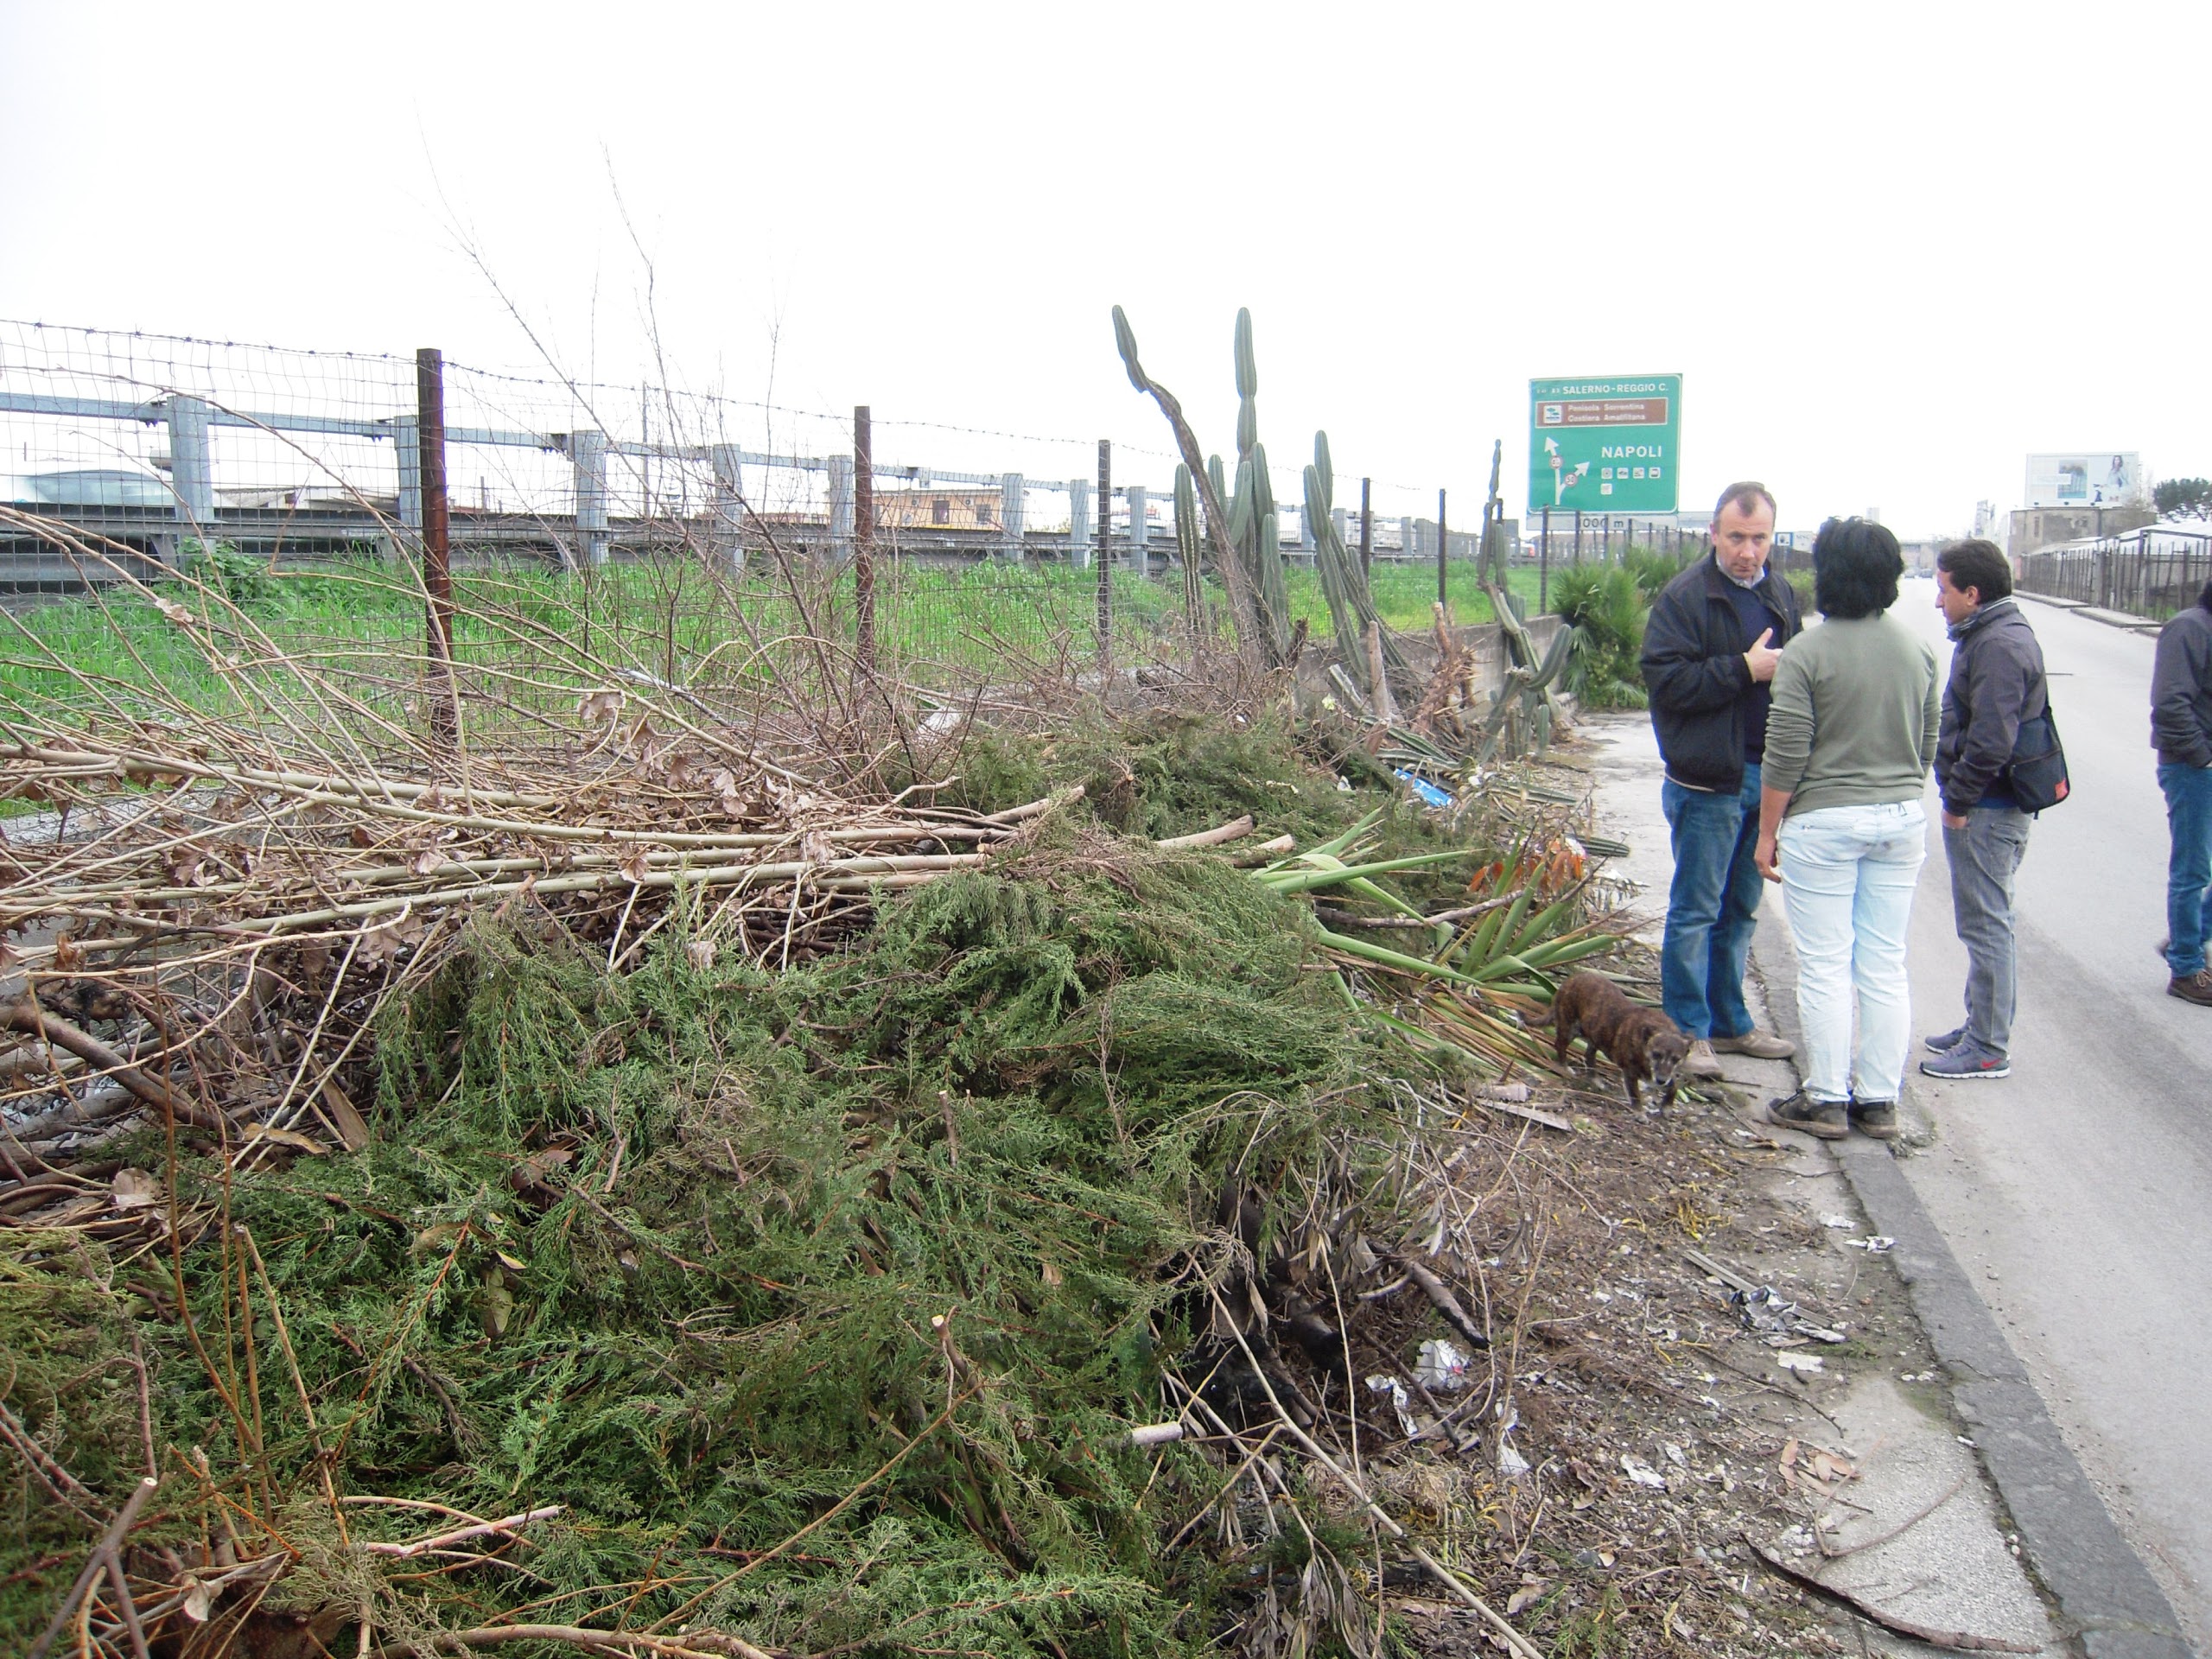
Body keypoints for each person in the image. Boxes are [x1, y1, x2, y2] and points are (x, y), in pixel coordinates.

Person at [1752, 518, 1941, 1140]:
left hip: (1823, 824)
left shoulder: (1807, 652)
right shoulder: (1917, 650)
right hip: (1899, 818)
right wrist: (1899, 795)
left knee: (1826, 964)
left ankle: (1827, 1099)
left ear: (1826, 575)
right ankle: (1880, 1102)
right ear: (1890, 577)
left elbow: (1786, 754)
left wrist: (1766, 832)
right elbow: (1928, 742)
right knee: (1884, 962)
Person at [1640, 481, 1803, 1081]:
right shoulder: (1686, 598)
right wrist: (1743, 669)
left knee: (1740, 908)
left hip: (1761, 776)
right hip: (1706, 783)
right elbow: (1666, 681)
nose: (1748, 551)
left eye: (1759, 538)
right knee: (1696, 910)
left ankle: (1732, 1022)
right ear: (1713, 535)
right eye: (1736, 538)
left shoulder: (1782, 595)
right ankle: (1689, 1032)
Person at [1920, 540, 2048, 1081]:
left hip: (1989, 810)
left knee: (1986, 925)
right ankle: (1980, 1026)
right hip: (1991, 806)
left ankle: (1989, 1046)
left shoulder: (1997, 645)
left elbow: (1992, 739)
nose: (1938, 602)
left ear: (1972, 593)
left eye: (1944, 590)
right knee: (1984, 922)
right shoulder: (1994, 634)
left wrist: (1958, 801)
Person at [2152, 575, 2212, 1006]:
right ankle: (2186, 968)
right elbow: (2170, 703)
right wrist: (2202, 757)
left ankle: (2186, 939)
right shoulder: (2189, 628)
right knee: (2192, 870)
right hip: (2193, 768)